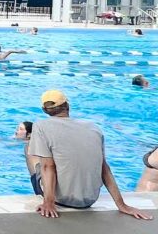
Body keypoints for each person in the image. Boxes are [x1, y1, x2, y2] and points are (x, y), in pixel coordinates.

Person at [28, 89, 151, 219]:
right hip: (90, 199)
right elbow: (104, 168)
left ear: (44, 110)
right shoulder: (94, 128)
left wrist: (48, 203)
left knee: (29, 148)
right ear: (67, 106)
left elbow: (48, 167)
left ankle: (48, 196)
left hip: (61, 200)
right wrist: (122, 205)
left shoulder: (40, 126)